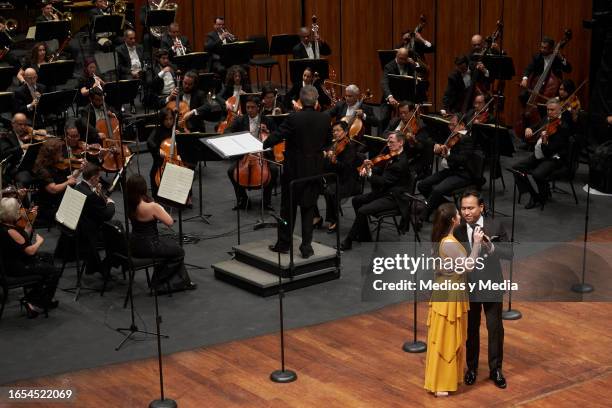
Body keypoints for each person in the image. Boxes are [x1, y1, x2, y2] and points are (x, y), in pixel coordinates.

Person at [263, 85, 331, 258]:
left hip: (294, 170)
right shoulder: (325, 118)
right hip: (314, 169)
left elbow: (275, 138)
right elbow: (328, 141)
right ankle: (306, 247)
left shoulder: (294, 118)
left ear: (300, 100)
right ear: (316, 101)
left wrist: (265, 141)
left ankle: (284, 243)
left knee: (288, 208)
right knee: (308, 207)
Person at [424, 202, 483, 397]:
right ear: (453, 220)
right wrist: (476, 244)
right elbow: (470, 266)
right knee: (446, 337)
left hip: (446, 290)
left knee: (443, 335)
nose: (461, 215)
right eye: (458, 213)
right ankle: (441, 383)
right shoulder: (449, 243)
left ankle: (444, 379)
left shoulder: (444, 239)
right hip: (449, 294)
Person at [455, 191, 510, 389]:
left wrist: (491, 247)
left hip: (492, 284)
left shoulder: (495, 225)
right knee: (471, 329)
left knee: (495, 329)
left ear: (481, 207)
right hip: (470, 287)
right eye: (463, 208)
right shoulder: (459, 230)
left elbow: (510, 253)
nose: (467, 212)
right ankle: (471, 369)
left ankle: (496, 369)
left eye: (470, 208)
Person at [339, 131, 412, 251]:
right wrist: (370, 166)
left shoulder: (401, 162)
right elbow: (382, 171)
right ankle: (365, 236)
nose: (388, 144)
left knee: (363, 210)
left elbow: (383, 181)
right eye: (388, 141)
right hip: (385, 191)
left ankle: (348, 241)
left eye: (391, 142)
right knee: (356, 200)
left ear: (401, 143)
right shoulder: (392, 155)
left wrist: (369, 174)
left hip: (394, 198)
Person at [126, 174, 197, 292]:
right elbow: (169, 222)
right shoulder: (152, 207)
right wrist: (160, 207)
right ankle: (160, 283)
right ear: (143, 188)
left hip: (135, 243)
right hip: (150, 245)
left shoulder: (130, 203)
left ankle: (182, 281)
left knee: (170, 245)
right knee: (179, 251)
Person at [0, 197, 61, 318]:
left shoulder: (6, 223)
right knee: (53, 272)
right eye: (18, 210)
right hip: (16, 266)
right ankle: (34, 302)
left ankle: (38, 294)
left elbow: (23, 237)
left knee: (47, 257)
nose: (20, 212)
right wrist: (39, 242)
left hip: (10, 259)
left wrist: (30, 219)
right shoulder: (10, 231)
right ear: (12, 213)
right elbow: (30, 251)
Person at [418, 114, 484, 222]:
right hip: (451, 170)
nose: (450, 127)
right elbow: (446, 153)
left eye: (453, 125)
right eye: (449, 124)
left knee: (437, 190)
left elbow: (462, 159)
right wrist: (439, 149)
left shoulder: (467, 138)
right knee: (422, 185)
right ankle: (448, 207)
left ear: (462, 125)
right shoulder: (453, 136)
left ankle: (424, 216)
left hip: (463, 173)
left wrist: (447, 155)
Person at [513, 99, 570, 209]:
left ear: (559, 110)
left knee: (537, 174)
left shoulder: (563, 127)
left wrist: (544, 141)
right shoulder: (547, 119)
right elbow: (536, 126)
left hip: (553, 157)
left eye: (552, 110)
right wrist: (529, 129)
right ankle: (535, 195)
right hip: (539, 154)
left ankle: (542, 194)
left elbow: (550, 150)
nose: (549, 112)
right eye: (548, 109)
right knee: (516, 168)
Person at [225, 95, 277, 210]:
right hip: (245, 155)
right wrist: (240, 138)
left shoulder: (267, 120)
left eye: (252, 107)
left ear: (258, 107)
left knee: (273, 170)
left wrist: (268, 132)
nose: (249, 110)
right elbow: (227, 131)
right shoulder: (240, 120)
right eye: (247, 107)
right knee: (231, 171)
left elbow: (276, 136)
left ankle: (266, 201)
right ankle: (243, 199)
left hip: (262, 154)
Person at [316, 121, 362, 233]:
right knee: (310, 186)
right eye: (334, 131)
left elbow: (347, 168)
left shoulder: (350, 147)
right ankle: (315, 217)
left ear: (345, 132)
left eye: (338, 130)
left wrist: (335, 161)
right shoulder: (333, 144)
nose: (335, 133)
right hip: (332, 177)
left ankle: (333, 220)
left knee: (330, 191)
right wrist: (325, 156)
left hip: (346, 181)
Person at [74, 163, 116, 277]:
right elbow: (106, 214)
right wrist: (110, 202)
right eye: (98, 177)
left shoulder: (78, 186)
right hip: (91, 230)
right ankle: (107, 265)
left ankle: (94, 265)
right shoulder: (90, 195)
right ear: (93, 178)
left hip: (80, 225)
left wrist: (98, 192)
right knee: (117, 234)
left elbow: (95, 206)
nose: (99, 179)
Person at [31, 138, 78, 224]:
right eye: (59, 152)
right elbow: (53, 189)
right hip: (51, 205)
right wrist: (68, 182)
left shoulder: (56, 162)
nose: (61, 154)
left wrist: (80, 170)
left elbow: (69, 179)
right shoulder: (42, 169)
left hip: (60, 197)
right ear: (52, 154)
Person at [385, 101, 433, 180]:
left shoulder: (420, 125)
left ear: (412, 112)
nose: (402, 115)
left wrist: (413, 141)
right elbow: (384, 133)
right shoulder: (395, 121)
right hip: (390, 152)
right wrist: (394, 135)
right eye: (400, 113)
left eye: (405, 113)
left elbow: (422, 146)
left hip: (407, 156)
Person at [0, 113, 36, 187]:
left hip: (32, 165)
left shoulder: (29, 135)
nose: (23, 127)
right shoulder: (6, 137)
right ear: (13, 124)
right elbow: (5, 153)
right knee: (25, 178)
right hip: (16, 168)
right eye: (20, 124)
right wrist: (21, 148)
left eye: (25, 124)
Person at [147, 107, 174, 198]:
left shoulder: (175, 130)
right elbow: (149, 142)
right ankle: (157, 195)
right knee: (154, 172)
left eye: (171, 119)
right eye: (166, 119)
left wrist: (181, 136)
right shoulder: (158, 130)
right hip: (161, 162)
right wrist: (157, 149)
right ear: (162, 120)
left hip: (175, 161)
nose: (169, 122)